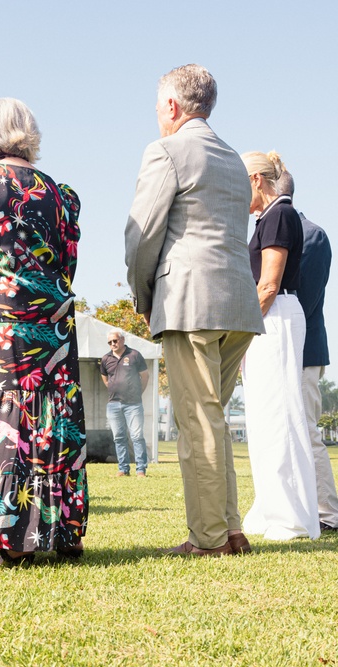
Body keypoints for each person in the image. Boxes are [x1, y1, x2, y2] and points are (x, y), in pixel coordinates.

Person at [125, 65, 264, 557]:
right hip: (238, 304)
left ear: (171, 106)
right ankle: (229, 529)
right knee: (214, 418)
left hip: (190, 301)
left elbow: (142, 235)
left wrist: (143, 298)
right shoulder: (232, 157)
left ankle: (207, 540)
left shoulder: (165, 150)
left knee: (197, 421)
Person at [0, 98, 86, 566]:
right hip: (54, 319)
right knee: (55, 421)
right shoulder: (60, 194)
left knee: (11, 419)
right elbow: (67, 263)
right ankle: (64, 532)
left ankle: (11, 535)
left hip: (5, 322)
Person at [239, 152, 318, 541]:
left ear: (256, 179)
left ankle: (292, 517)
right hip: (269, 319)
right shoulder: (265, 218)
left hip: (276, 317)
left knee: (281, 418)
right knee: (264, 419)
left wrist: (243, 329)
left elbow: (269, 284)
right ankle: (272, 507)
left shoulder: (280, 215)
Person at [278, 171, 338, 532]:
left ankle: (328, 513)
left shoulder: (311, 236)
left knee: (308, 432)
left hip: (302, 351)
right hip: (283, 349)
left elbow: (303, 300)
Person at [99, 330, 150, 477]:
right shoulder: (105, 358)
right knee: (119, 437)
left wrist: (138, 392)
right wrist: (113, 388)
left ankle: (141, 469)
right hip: (113, 404)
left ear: (122, 339)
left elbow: (145, 376)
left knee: (137, 436)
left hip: (133, 404)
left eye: (115, 341)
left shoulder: (134, 355)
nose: (112, 344)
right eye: (109, 342)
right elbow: (105, 379)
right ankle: (123, 468)